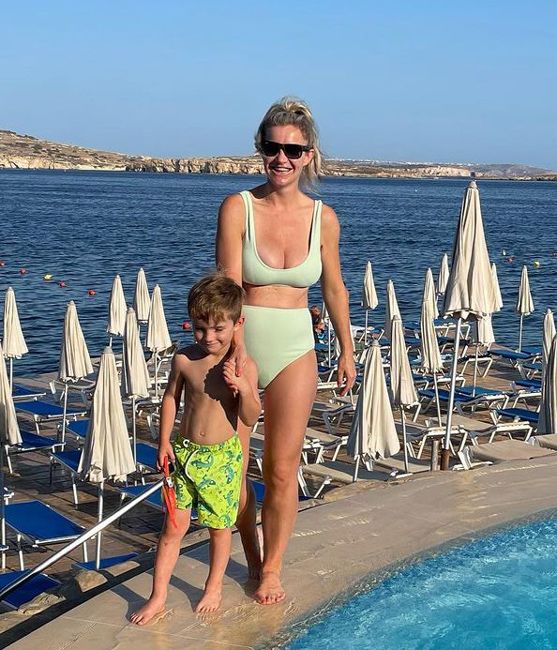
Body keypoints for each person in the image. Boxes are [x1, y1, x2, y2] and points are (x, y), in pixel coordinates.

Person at [216, 97, 356, 605]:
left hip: (297, 346)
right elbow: (229, 286)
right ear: (261, 149)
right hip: (242, 346)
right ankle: (250, 553)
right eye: (273, 148)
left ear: (309, 155)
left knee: (280, 468)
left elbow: (334, 289)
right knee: (230, 468)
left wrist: (346, 348)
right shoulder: (238, 208)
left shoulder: (324, 218)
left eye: (293, 151)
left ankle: (271, 568)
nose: (282, 159)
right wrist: (236, 353)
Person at [131, 272, 261, 624]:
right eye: (200, 328)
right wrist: (162, 440)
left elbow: (250, 417)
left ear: (237, 323)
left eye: (218, 329)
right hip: (183, 453)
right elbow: (171, 398)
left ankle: (213, 585)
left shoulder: (242, 367)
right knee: (173, 526)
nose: (208, 337)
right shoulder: (184, 360)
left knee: (220, 527)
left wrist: (244, 389)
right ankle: (158, 596)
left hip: (221, 458)